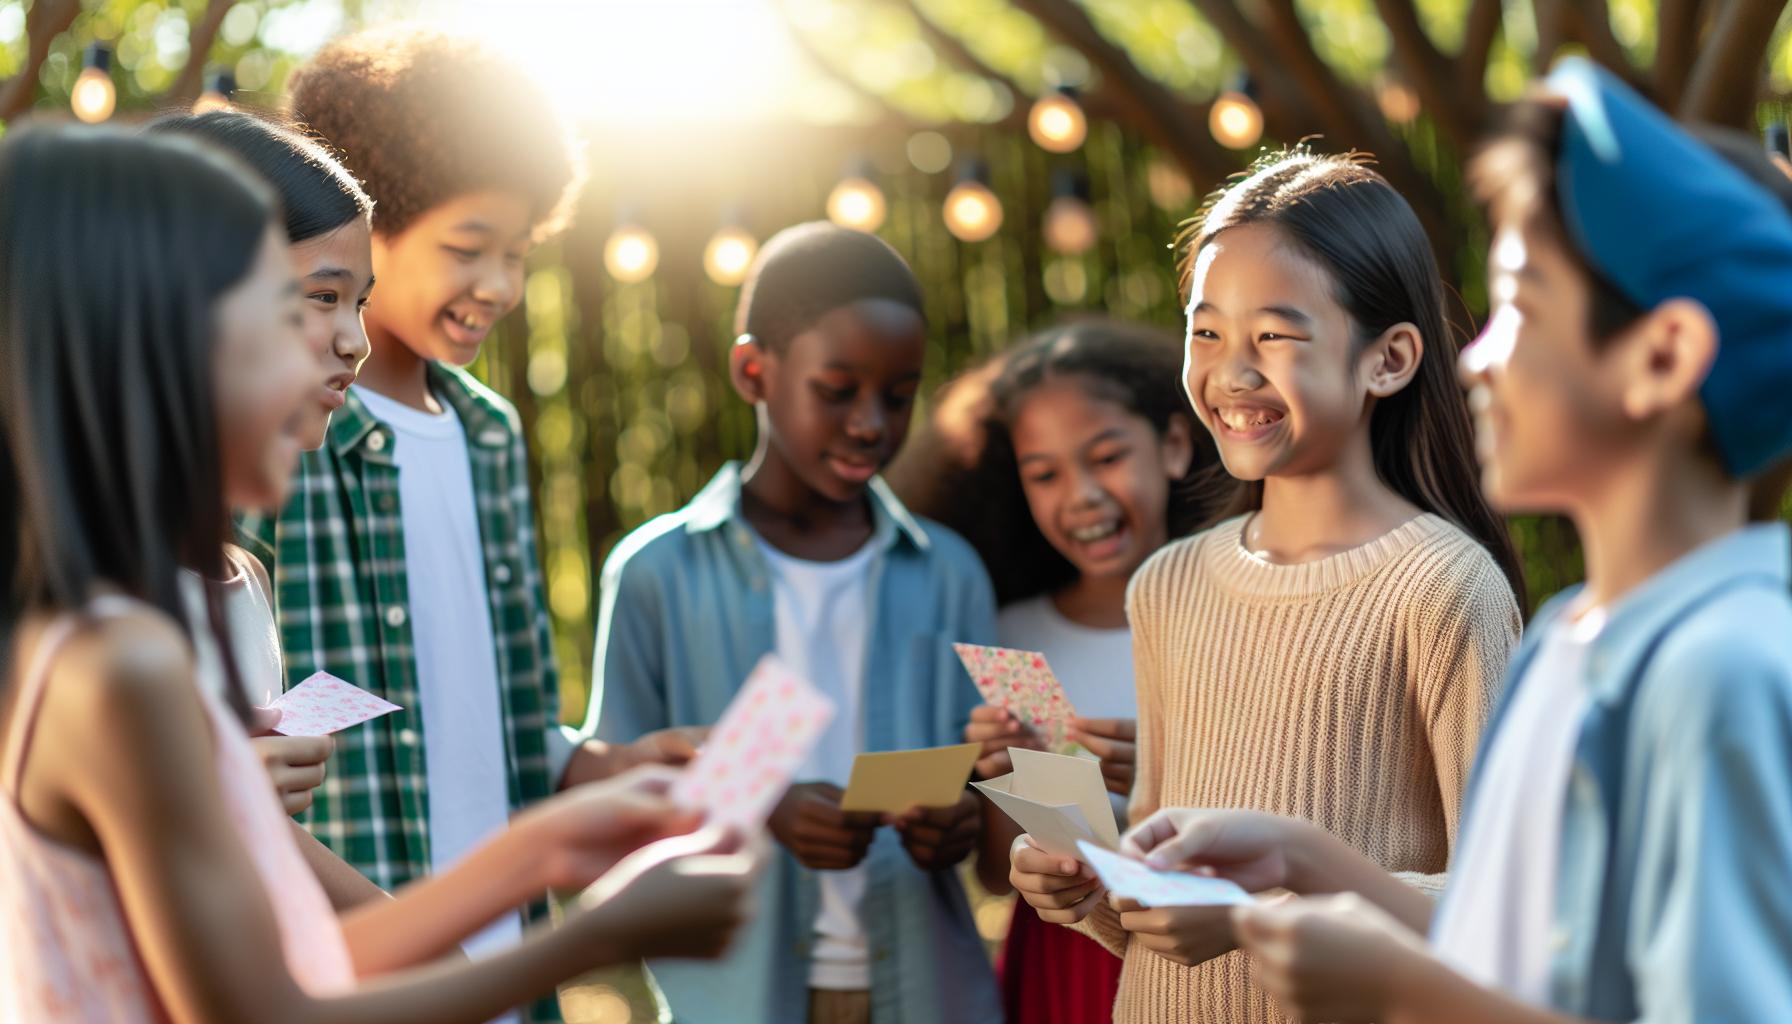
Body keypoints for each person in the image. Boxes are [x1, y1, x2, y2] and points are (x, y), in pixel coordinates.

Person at [0, 124, 757, 1024]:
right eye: (285, 314)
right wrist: (593, 937)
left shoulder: (114, 629)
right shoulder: (122, 665)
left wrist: (543, 853)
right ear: (153, 344)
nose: (346, 350)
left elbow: (292, 961)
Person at [1123, 59, 1792, 1024]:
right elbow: (1526, 945)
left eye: (1522, 304)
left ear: (1663, 356)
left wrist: (1401, 986)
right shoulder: (1573, 635)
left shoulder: (1724, 670)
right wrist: (1298, 856)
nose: (1476, 356)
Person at [238, 29, 700, 1022]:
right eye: (465, 247)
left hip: (500, 957)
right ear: (368, 227)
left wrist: (602, 765)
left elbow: (500, 701)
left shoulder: (489, 434)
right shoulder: (282, 434)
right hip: (360, 955)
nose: (496, 283)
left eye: (517, 255)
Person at [1008, 148, 1524, 1022]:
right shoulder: (1167, 587)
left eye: (1275, 336)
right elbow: (1160, 883)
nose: (1231, 372)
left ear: (1389, 359)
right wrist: (1091, 887)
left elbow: (1505, 915)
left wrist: (1254, 913)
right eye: (1205, 333)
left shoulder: (1444, 589)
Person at [587, 222, 1003, 1024]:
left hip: (928, 992)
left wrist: (962, 820)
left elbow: (993, 779)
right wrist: (758, 805)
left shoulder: (950, 574)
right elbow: (611, 810)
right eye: (838, 390)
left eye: (899, 395)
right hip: (734, 999)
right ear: (754, 370)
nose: (870, 425)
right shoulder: (655, 574)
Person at [897, 320, 1223, 1024]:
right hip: (1060, 959)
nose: (1079, 495)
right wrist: (1016, 775)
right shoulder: (1015, 644)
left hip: (1211, 955)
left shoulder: (1235, 616)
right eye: (1045, 473)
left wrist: (1161, 774)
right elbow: (993, 873)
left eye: (1105, 457)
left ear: (1172, 445)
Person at [147, 108, 386, 911]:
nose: (357, 341)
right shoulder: (63, 579)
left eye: (360, 303)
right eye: (324, 295)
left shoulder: (243, 575)